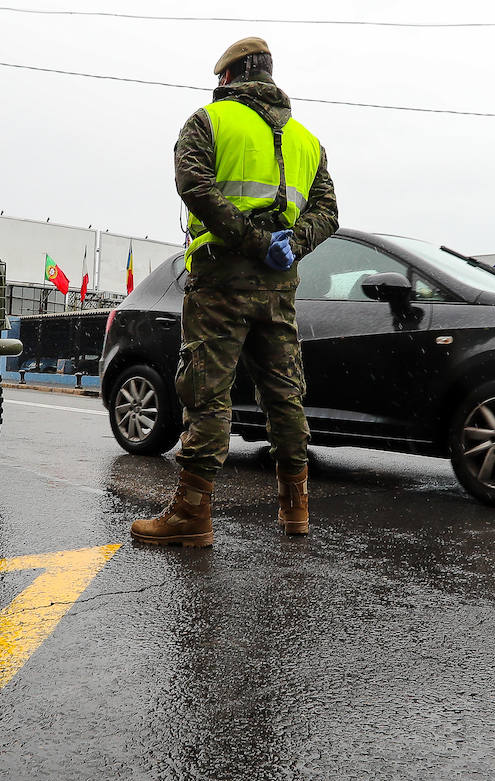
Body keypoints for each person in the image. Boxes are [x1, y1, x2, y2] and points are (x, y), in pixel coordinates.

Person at [131, 37, 339, 547]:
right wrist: (290, 245)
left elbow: (194, 185)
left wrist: (254, 240)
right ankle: (296, 509)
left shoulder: (209, 120)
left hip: (222, 280)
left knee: (207, 391)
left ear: (228, 78)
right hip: (279, 286)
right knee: (285, 396)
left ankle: (193, 514)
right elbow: (328, 211)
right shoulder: (307, 140)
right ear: (267, 75)